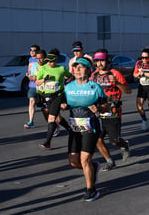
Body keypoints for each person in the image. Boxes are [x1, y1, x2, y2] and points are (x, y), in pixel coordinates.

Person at [62, 57, 109, 201]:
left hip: (91, 126)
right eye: (75, 67)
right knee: (74, 162)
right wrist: (62, 106)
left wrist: (99, 108)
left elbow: (106, 106)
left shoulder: (95, 87)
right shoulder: (68, 87)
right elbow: (64, 103)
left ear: (88, 70)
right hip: (75, 128)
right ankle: (93, 167)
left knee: (84, 159)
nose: (76, 69)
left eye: (80, 67)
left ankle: (91, 189)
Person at [91, 49, 131, 171]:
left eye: (102, 60)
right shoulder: (94, 76)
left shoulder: (115, 73)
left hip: (113, 111)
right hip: (98, 111)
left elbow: (128, 91)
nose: (99, 63)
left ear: (107, 60)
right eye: (97, 61)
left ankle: (124, 144)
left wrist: (117, 83)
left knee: (114, 141)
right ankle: (109, 161)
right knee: (97, 139)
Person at [36, 48, 72, 148]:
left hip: (58, 95)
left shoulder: (61, 68)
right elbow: (37, 82)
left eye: (52, 61)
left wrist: (66, 84)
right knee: (58, 118)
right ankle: (71, 130)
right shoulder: (43, 69)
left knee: (51, 118)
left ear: (56, 60)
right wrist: (44, 79)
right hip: (47, 96)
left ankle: (48, 142)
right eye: (49, 61)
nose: (50, 63)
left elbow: (70, 76)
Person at [133, 48, 149, 131]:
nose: (144, 59)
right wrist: (138, 75)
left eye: (146, 58)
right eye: (142, 57)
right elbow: (134, 74)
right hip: (142, 87)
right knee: (139, 106)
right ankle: (144, 120)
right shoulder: (138, 63)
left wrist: (144, 73)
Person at [24, 44, 40, 129]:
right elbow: (30, 70)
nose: (31, 52)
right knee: (31, 101)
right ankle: (31, 121)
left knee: (45, 107)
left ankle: (53, 124)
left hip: (41, 85)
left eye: (34, 50)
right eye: (30, 50)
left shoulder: (40, 60)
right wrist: (28, 75)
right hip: (32, 84)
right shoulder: (30, 59)